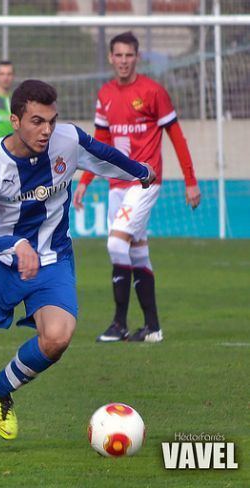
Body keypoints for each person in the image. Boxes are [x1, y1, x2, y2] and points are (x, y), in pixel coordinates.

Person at [0, 79, 155, 454]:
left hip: (52, 259)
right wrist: (15, 243)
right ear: (14, 120)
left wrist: (140, 171)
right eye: (37, 121)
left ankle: (1, 389)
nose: (46, 130)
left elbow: (104, 155)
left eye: (51, 121)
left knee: (58, 337)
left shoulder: (67, 141)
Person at [73, 31, 201, 344]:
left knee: (116, 245)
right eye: (118, 55)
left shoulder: (153, 92)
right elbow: (100, 142)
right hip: (116, 184)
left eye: (129, 55)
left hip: (144, 182)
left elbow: (176, 136)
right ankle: (153, 328)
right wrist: (86, 181)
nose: (123, 61)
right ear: (110, 58)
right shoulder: (105, 94)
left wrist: (191, 180)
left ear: (137, 57)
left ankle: (118, 324)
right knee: (138, 253)